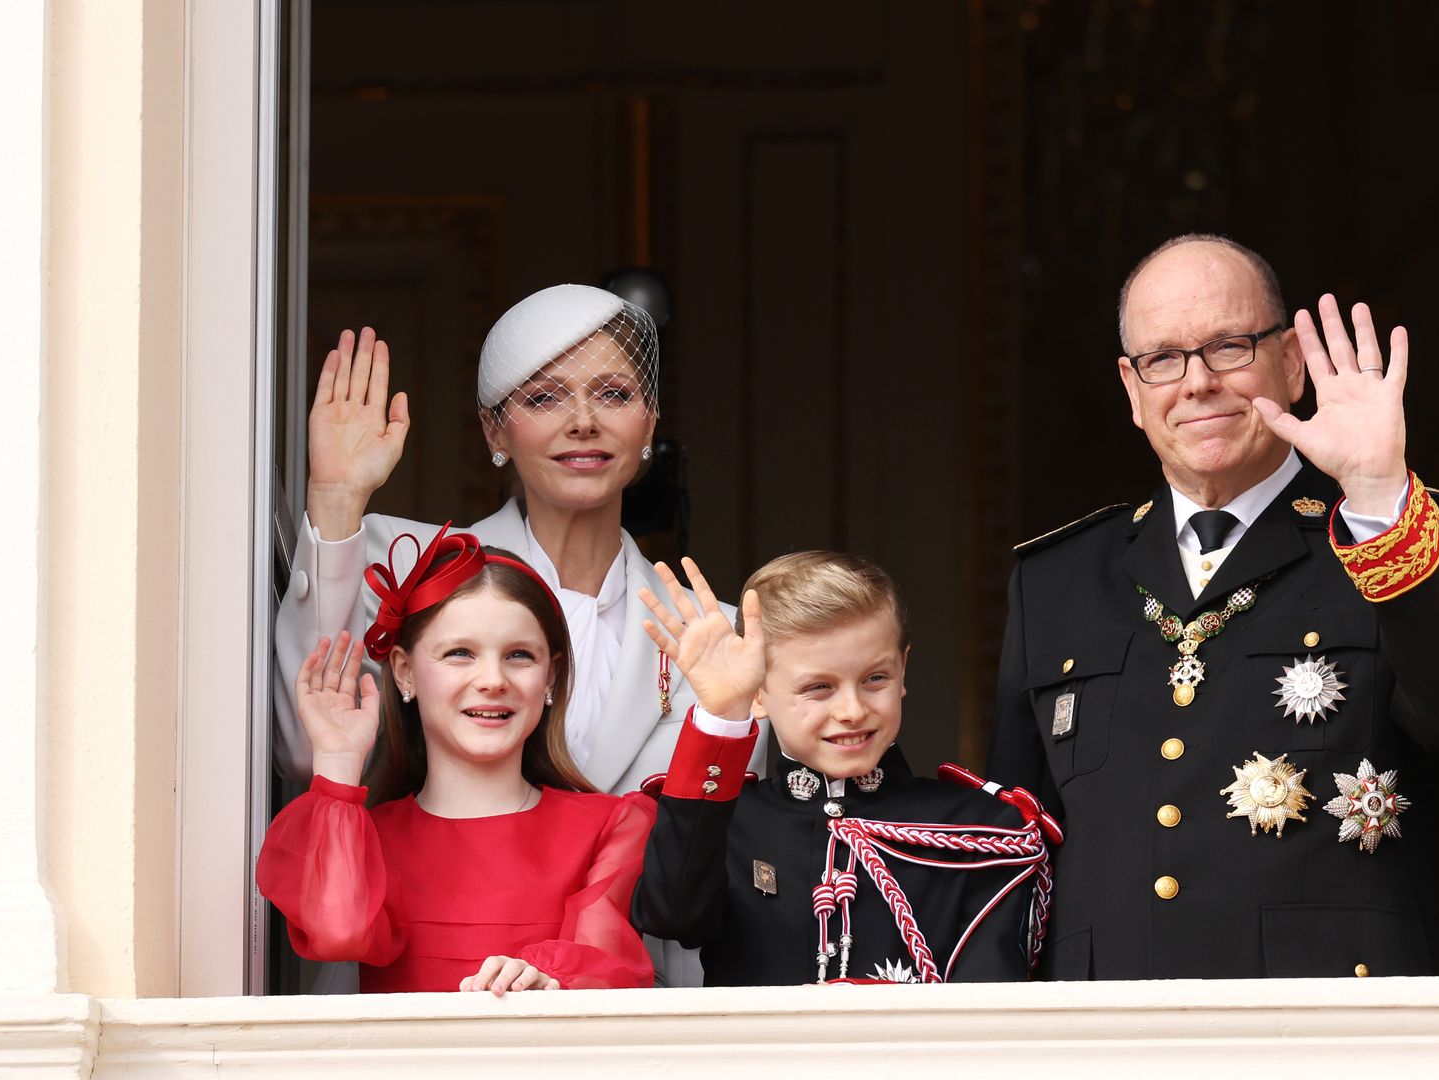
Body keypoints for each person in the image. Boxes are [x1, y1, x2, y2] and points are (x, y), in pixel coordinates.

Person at [987, 234, 1439, 980]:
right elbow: (1013, 850)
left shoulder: (1404, 529)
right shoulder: (1056, 580)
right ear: (1130, 387)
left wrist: (1374, 492)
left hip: (1326, 1038)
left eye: (1229, 347)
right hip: (1106, 1038)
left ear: (1292, 362)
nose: (1197, 382)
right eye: (1163, 359)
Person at [274, 284, 756, 985]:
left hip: (636, 996)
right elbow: (299, 746)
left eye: (615, 395)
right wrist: (339, 499)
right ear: (494, 431)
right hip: (403, 988)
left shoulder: (718, 637)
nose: (583, 422)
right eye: (543, 398)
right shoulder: (404, 567)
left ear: (651, 422)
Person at [257, 526, 656, 993]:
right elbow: (338, 932)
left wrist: (549, 977)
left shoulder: (611, 826)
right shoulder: (366, 838)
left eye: (520, 656)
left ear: (551, 677)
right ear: (405, 671)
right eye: (460, 653)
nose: (492, 679)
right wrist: (339, 760)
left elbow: (608, 965)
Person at [634, 552, 1058, 985]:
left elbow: (991, 1015)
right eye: (819, 687)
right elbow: (670, 916)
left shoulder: (982, 830)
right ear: (759, 693)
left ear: (904, 668)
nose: (853, 710)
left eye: (876, 679)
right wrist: (723, 713)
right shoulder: (726, 824)